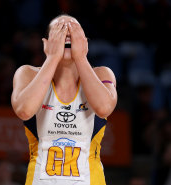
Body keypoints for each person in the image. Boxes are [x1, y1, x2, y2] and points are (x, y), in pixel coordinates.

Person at [11, 14, 117, 185]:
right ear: (46, 43)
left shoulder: (102, 74)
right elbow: (24, 110)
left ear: (85, 43)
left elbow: (104, 108)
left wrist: (81, 57)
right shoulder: (27, 73)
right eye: (59, 31)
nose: (67, 34)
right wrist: (52, 57)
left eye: (74, 30)